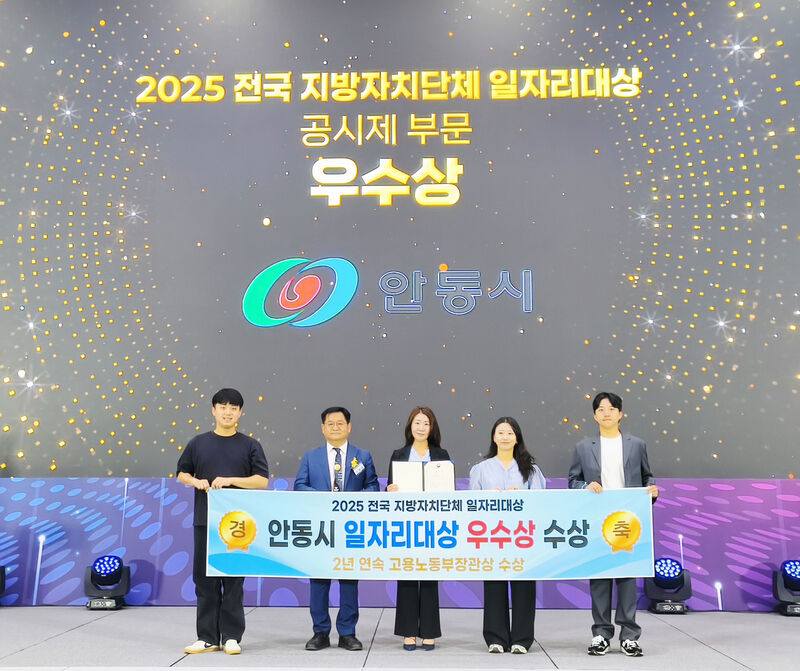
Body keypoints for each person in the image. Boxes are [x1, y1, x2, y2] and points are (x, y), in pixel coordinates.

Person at [176, 388, 269, 656]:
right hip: (205, 521)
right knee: (204, 580)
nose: (228, 412)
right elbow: (182, 473)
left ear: (240, 413)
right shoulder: (198, 443)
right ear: (214, 411)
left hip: (237, 525)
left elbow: (261, 480)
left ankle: (231, 637)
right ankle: (207, 637)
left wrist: (230, 480)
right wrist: (196, 482)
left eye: (233, 408)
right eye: (223, 407)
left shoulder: (250, 445)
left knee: (233, 581)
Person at [568, 391, 658, 658]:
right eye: (600, 409)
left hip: (628, 520)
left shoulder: (636, 444)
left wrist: (652, 491)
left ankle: (629, 636)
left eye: (611, 409)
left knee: (627, 578)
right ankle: (601, 634)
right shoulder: (583, 447)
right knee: (599, 578)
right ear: (594, 415)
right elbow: (573, 481)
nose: (606, 413)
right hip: (597, 520)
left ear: (620, 414)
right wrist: (585, 486)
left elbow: (647, 477)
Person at [294, 406, 379, 651]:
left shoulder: (362, 456)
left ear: (349, 427)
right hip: (320, 528)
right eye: (330, 424)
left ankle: (347, 633)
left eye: (340, 423)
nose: (335, 427)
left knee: (349, 580)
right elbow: (300, 486)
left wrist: (350, 500)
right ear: (323, 428)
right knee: (319, 580)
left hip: (351, 528)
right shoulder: (311, 457)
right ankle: (320, 632)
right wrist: (325, 498)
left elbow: (373, 487)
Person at [469, 417, 546, 654]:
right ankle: (496, 638)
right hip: (492, 537)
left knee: (524, 588)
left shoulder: (531, 469)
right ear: (494, 437)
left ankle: (522, 639)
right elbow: (470, 504)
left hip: (522, 537)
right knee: (494, 586)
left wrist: (521, 496)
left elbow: (542, 502)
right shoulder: (481, 469)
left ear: (517, 438)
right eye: (500, 432)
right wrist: (487, 497)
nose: (505, 437)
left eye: (510, 433)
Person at [386, 407, 452, 651]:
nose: (421, 427)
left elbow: (449, 490)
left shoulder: (441, 454)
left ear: (432, 428)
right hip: (406, 523)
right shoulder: (399, 455)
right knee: (407, 576)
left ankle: (429, 632)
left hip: (433, 524)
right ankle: (408, 632)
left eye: (426, 423)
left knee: (429, 576)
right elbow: (390, 489)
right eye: (417, 423)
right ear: (410, 426)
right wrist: (389, 490)